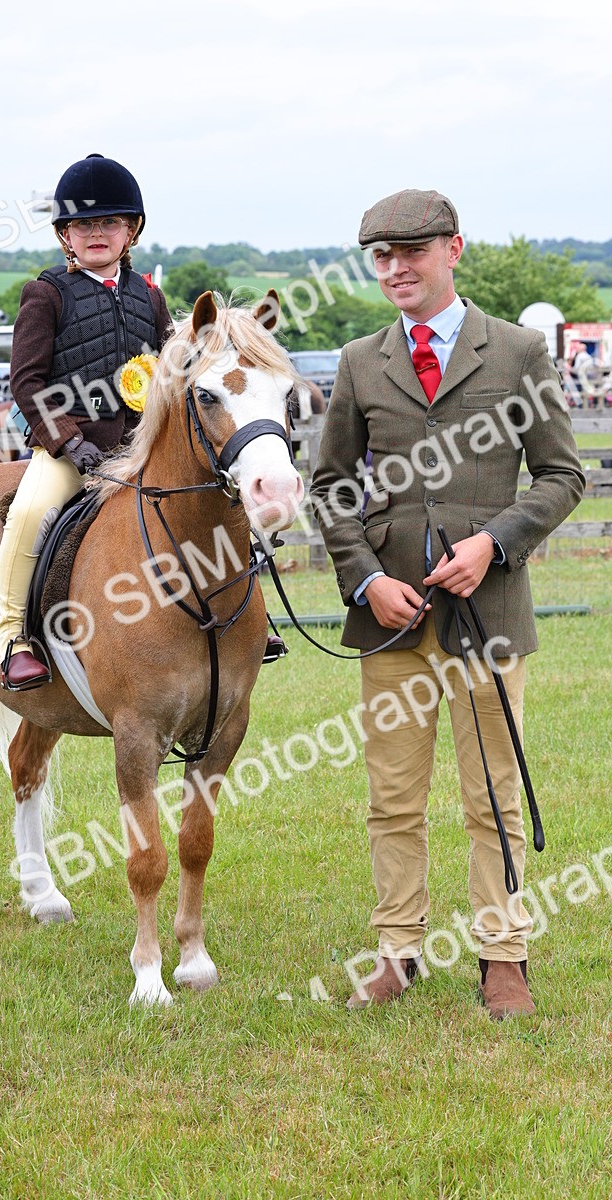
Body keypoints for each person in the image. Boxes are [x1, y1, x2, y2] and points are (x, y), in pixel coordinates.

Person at [310, 190, 585, 1019]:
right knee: (392, 797)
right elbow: (330, 487)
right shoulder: (359, 360)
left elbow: (563, 475)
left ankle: (503, 954)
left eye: (413, 252)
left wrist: (493, 543)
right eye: (382, 257)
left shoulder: (519, 351)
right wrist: (366, 579)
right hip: (391, 619)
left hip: (487, 614)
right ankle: (398, 950)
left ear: (453, 250)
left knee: (492, 794)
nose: (396, 268)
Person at [0, 153, 173, 690]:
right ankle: (14, 637)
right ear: (65, 235)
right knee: (31, 512)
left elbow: (172, 372)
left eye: (109, 222)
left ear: (130, 230)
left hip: (140, 448)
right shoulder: (46, 293)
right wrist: (70, 443)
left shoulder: (150, 296)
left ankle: (243, 616)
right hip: (71, 450)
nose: (97, 233)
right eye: (84, 224)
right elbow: (26, 382)